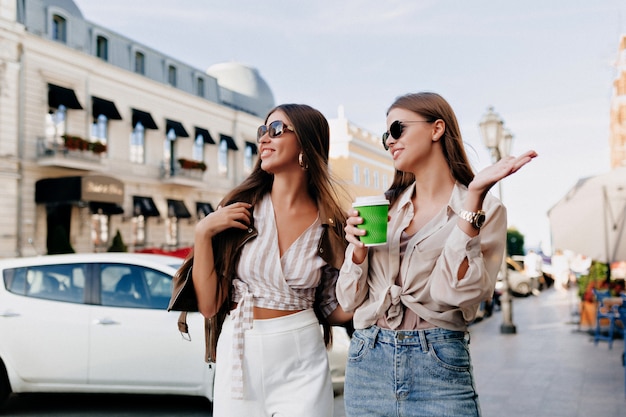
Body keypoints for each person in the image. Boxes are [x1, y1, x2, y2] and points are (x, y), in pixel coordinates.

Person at [336, 92, 537, 417]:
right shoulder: (384, 209)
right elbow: (347, 301)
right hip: (368, 362)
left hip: (439, 363)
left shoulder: (486, 208)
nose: (389, 141)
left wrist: (472, 202)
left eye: (397, 129)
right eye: (385, 134)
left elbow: (457, 294)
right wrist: (357, 253)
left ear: (436, 128)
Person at [191, 104, 352, 416]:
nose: (264, 138)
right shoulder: (240, 210)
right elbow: (210, 306)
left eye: (277, 130)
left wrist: (362, 259)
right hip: (240, 356)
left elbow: (336, 311)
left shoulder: (332, 224)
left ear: (306, 144)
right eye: (262, 131)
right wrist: (203, 233)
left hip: (302, 358)